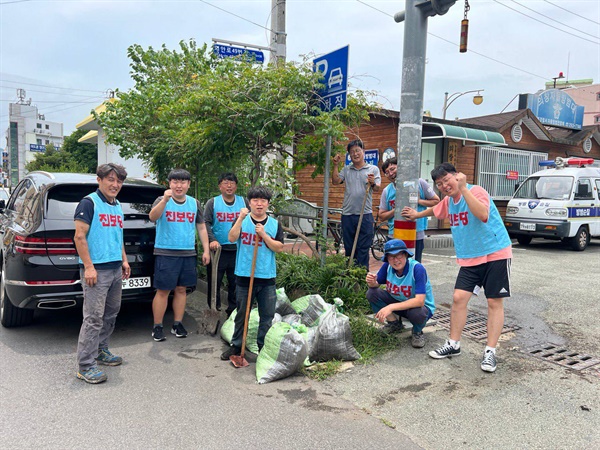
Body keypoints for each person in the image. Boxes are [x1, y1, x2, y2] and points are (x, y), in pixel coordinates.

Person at [402, 162, 512, 373]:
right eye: (439, 183)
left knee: (494, 302)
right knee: (459, 299)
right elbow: (436, 209)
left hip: (495, 253)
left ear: (457, 176)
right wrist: (417, 215)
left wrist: (463, 189)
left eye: (446, 180)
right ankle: (454, 344)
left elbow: (482, 214)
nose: (443, 185)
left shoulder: (475, 191)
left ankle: (490, 351)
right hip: (470, 258)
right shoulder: (449, 201)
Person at [74, 163, 130, 384]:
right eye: (111, 179)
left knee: (111, 313)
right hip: (96, 271)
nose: (115, 184)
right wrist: (88, 267)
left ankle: (101, 350)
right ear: (99, 180)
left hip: (115, 268)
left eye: (119, 181)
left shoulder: (116, 205)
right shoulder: (89, 203)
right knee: (93, 318)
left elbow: (118, 235)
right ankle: (85, 365)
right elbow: (79, 237)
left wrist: (124, 260)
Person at [220, 186, 284, 361]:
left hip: (266, 277)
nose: (259, 204)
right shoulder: (242, 220)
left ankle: (262, 348)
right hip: (244, 275)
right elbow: (232, 238)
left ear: (268, 203)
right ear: (250, 202)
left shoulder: (274, 224)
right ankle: (236, 346)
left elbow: (279, 247)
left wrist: (263, 235)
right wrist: (240, 218)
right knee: (242, 314)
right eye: (255, 200)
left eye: (263, 201)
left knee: (266, 316)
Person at [149, 169, 210, 342]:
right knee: (163, 290)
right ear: (169, 184)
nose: (179, 185)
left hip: (188, 252)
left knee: (182, 289)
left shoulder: (194, 203)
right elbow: (152, 217)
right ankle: (158, 326)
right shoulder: (162, 200)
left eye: (183, 182)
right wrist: (165, 200)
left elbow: (201, 227)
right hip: (165, 252)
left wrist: (205, 250)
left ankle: (177, 324)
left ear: (188, 185)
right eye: (175, 181)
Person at [366, 239, 435, 348]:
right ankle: (394, 324)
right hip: (399, 303)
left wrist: (390, 307)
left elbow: (420, 301)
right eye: (391, 257)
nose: (396, 260)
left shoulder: (417, 269)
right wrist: (372, 282)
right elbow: (375, 286)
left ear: (406, 255)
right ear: (387, 258)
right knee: (371, 293)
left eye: (399, 256)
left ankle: (417, 332)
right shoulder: (387, 266)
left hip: (419, 308)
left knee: (418, 313)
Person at [204, 173, 249, 316]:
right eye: (225, 183)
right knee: (214, 282)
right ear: (220, 186)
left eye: (232, 183)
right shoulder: (213, 203)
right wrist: (212, 240)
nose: (229, 186)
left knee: (235, 282)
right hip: (218, 250)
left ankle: (233, 311)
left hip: (238, 249)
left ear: (236, 186)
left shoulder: (244, 202)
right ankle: (214, 309)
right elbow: (205, 222)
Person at [332, 139, 381, 269]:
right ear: (349, 155)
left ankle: (361, 277)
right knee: (349, 248)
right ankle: (350, 276)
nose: (355, 154)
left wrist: (372, 183)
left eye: (358, 150)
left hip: (364, 214)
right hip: (348, 214)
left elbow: (377, 189)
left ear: (363, 152)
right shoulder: (347, 170)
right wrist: (336, 165)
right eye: (352, 152)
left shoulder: (372, 169)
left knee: (363, 248)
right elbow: (336, 181)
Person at [379, 157, 440, 262]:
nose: (390, 173)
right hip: (394, 234)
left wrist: (419, 201)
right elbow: (382, 216)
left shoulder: (419, 183)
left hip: (416, 232)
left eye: (393, 169)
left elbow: (436, 201)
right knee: (394, 264)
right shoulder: (387, 191)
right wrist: (396, 209)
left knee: (414, 264)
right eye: (387, 172)